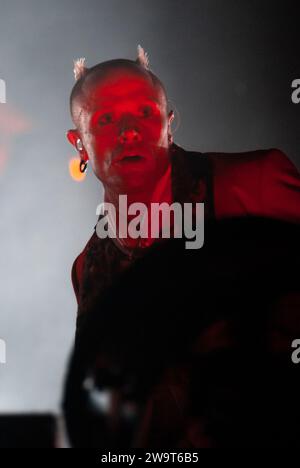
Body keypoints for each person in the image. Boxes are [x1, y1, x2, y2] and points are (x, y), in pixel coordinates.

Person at [64, 46, 300, 447]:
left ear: (169, 125)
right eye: (105, 119)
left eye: (144, 113)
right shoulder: (86, 268)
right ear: (80, 145)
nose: (130, 131)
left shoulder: (256, 182)